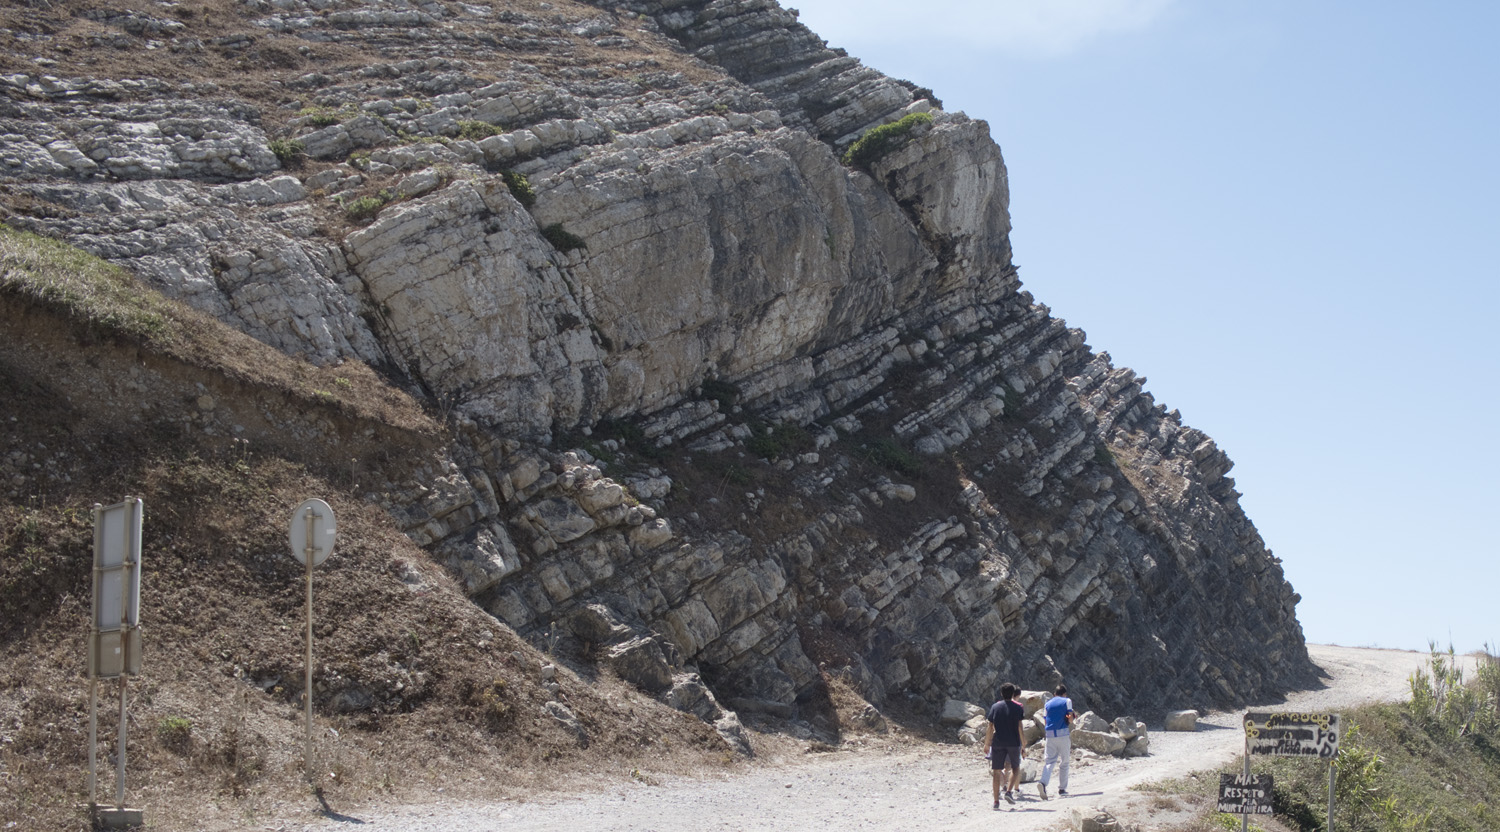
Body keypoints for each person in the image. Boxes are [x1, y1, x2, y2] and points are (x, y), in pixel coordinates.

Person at [983, 683, 1026, 808]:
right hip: (1013, 742)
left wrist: (987, 744)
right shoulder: (1018, 708)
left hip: (998, 742)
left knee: (996, 771)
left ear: (1001, 693)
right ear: (1013, 694)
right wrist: (1023, 744)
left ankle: (996, 801)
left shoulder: (995, 707)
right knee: (1015, 767)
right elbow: (1020, 727)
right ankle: (1008, 791)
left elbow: (990, 726)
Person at [1037, 684, 1074, 799]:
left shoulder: (1047, 704)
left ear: (1054, 694)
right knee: (1065, 762)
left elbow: (1045, 721)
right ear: (1064, 694)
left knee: (1049, 762)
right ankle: (1062, 789)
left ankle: (1043, 782)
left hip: (1050, 735)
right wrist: (1070, 720)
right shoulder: (1067, 701)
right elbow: (1070, 717)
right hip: (1063, 734)